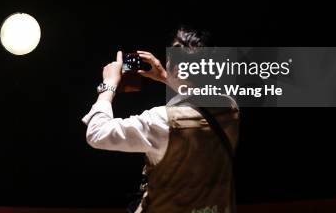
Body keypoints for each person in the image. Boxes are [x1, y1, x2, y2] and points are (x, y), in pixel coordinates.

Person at [82, 27, 240, 213]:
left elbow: (96, 133)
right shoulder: (230, 107)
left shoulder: (161, 120)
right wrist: (166, 77)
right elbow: (199, 97)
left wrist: (108, 85)